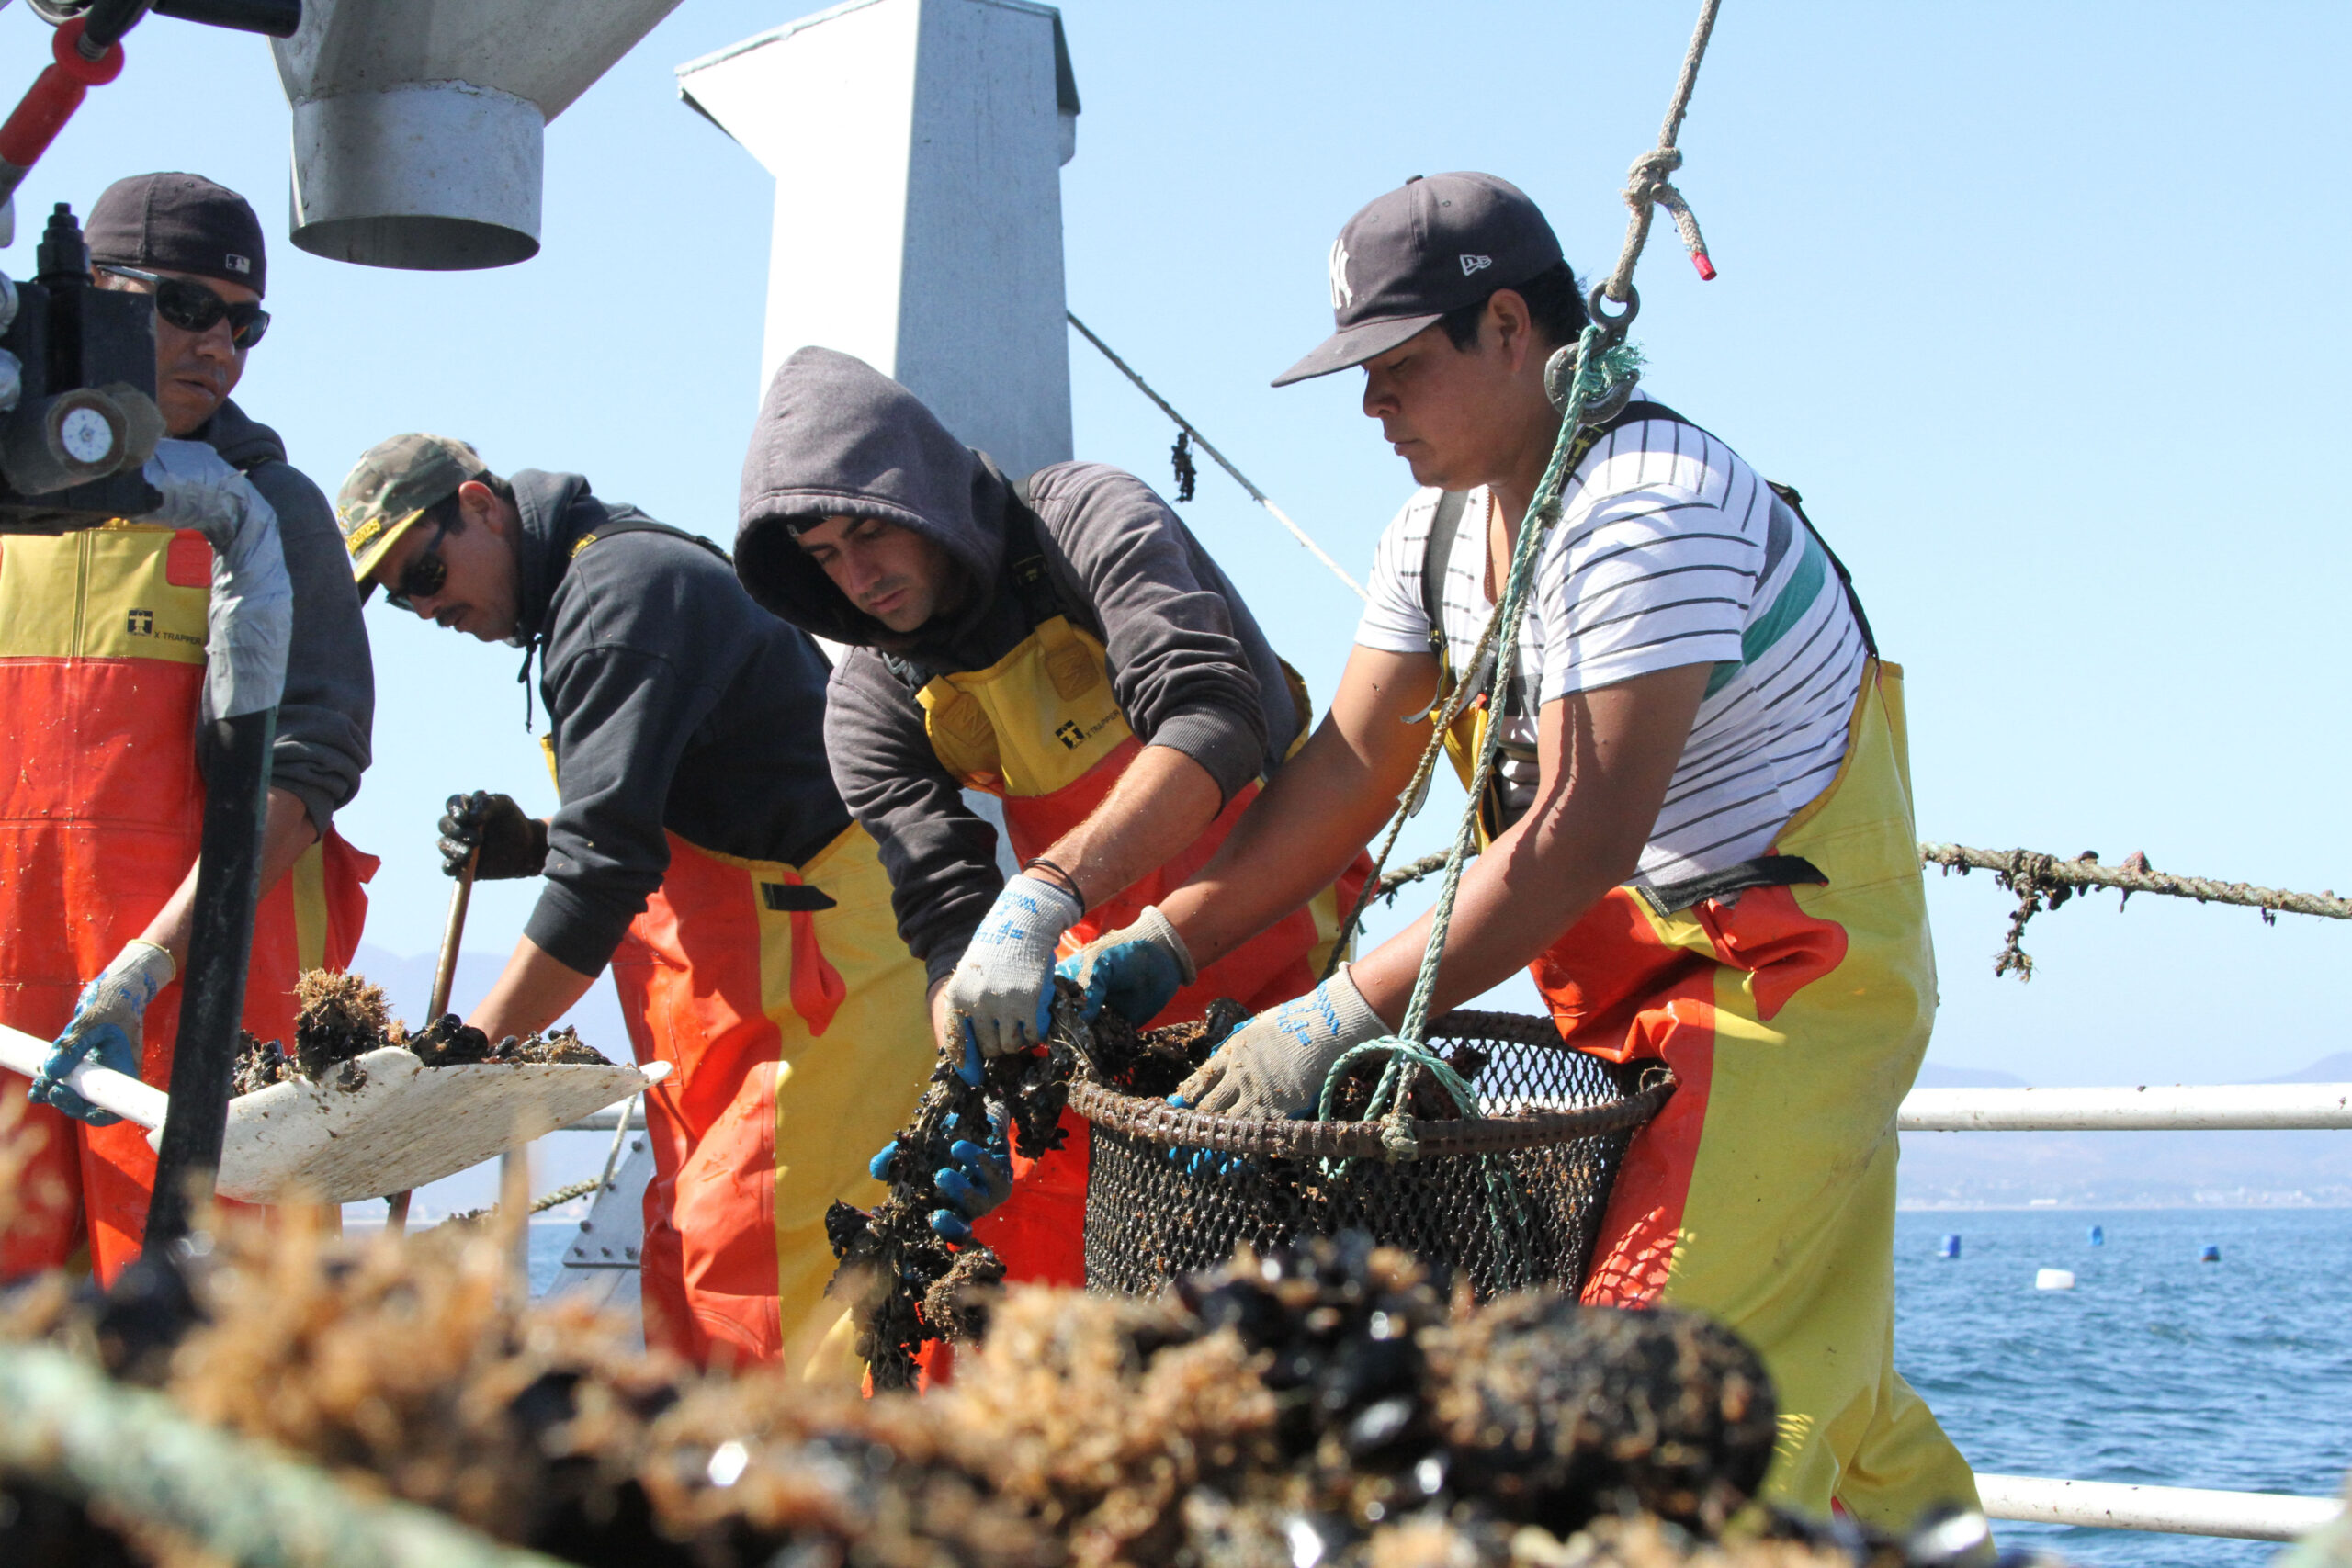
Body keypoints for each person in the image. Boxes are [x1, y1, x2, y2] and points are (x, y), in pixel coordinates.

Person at [1139, 173, 1981, 1530]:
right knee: (1824, 1386)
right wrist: (1167, 936)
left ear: (1513, 327)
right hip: (1621, 1002)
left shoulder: (1649, 507)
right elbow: (1353, 764)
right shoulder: (1432, 534)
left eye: (1399, 367)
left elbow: (1582, 835)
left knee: (1648, 1402)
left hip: (1782, 993)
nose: (1372, 408)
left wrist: (1330, 1014)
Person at [731, 347, 1369, 1308]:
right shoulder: (869, 699)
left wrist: (1044, 890)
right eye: (823, 556)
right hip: (1098, 991)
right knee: (1024, 1254)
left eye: (869, 531)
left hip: (1279, 927)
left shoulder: (1087, 521)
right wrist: (971, 1061)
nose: (858, 576)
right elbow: (946, 924)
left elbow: (1213, 716)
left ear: (924, 495)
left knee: (1295, 1271)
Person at [339, 434, 933, 1370]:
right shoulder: (588, 597)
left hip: (826, 988)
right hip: (729, 1014)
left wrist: (458, 1056)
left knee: (767, 1276)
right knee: (689, 1255)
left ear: (481, 505)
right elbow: (668, 808)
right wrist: (535, 842)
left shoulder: (619, 596)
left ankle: (802, 1503)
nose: (427, 604)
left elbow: (604, 875)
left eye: (426, 566)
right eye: (401, 596)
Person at [1, 172, 376, 1285]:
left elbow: (306, 775)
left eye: (242, 320)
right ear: (98, 297)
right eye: (182, 305)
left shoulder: (269, 511)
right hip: (11, 1020)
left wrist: (145, 973)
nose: (218, 344)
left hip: (192, 1020)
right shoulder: (13, 504)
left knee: (213, 1361)